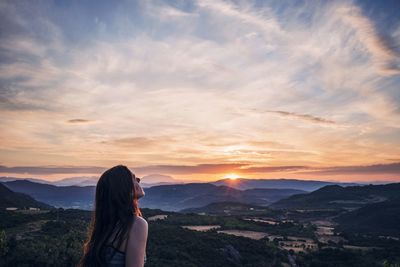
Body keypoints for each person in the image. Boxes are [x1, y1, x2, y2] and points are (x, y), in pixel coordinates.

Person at [79, 165, 148, 267]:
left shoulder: (104, 229)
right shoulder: (137, 224)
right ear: (123, 186)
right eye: (133, 178)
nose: (139, 180)